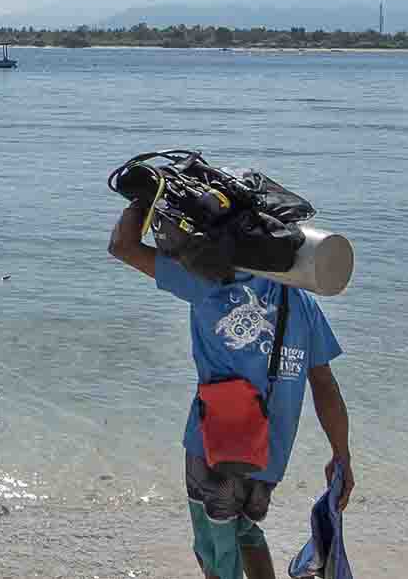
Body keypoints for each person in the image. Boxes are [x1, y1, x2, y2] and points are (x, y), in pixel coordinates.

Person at [108, 201, 354, 579]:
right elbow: (324, 384)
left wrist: (146, 197)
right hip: (269, 455)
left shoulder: (208, 284)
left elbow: (122, 246)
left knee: (215, 547)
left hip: (215, 446)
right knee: (245, 532)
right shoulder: (300, 302)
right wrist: (341, 455)